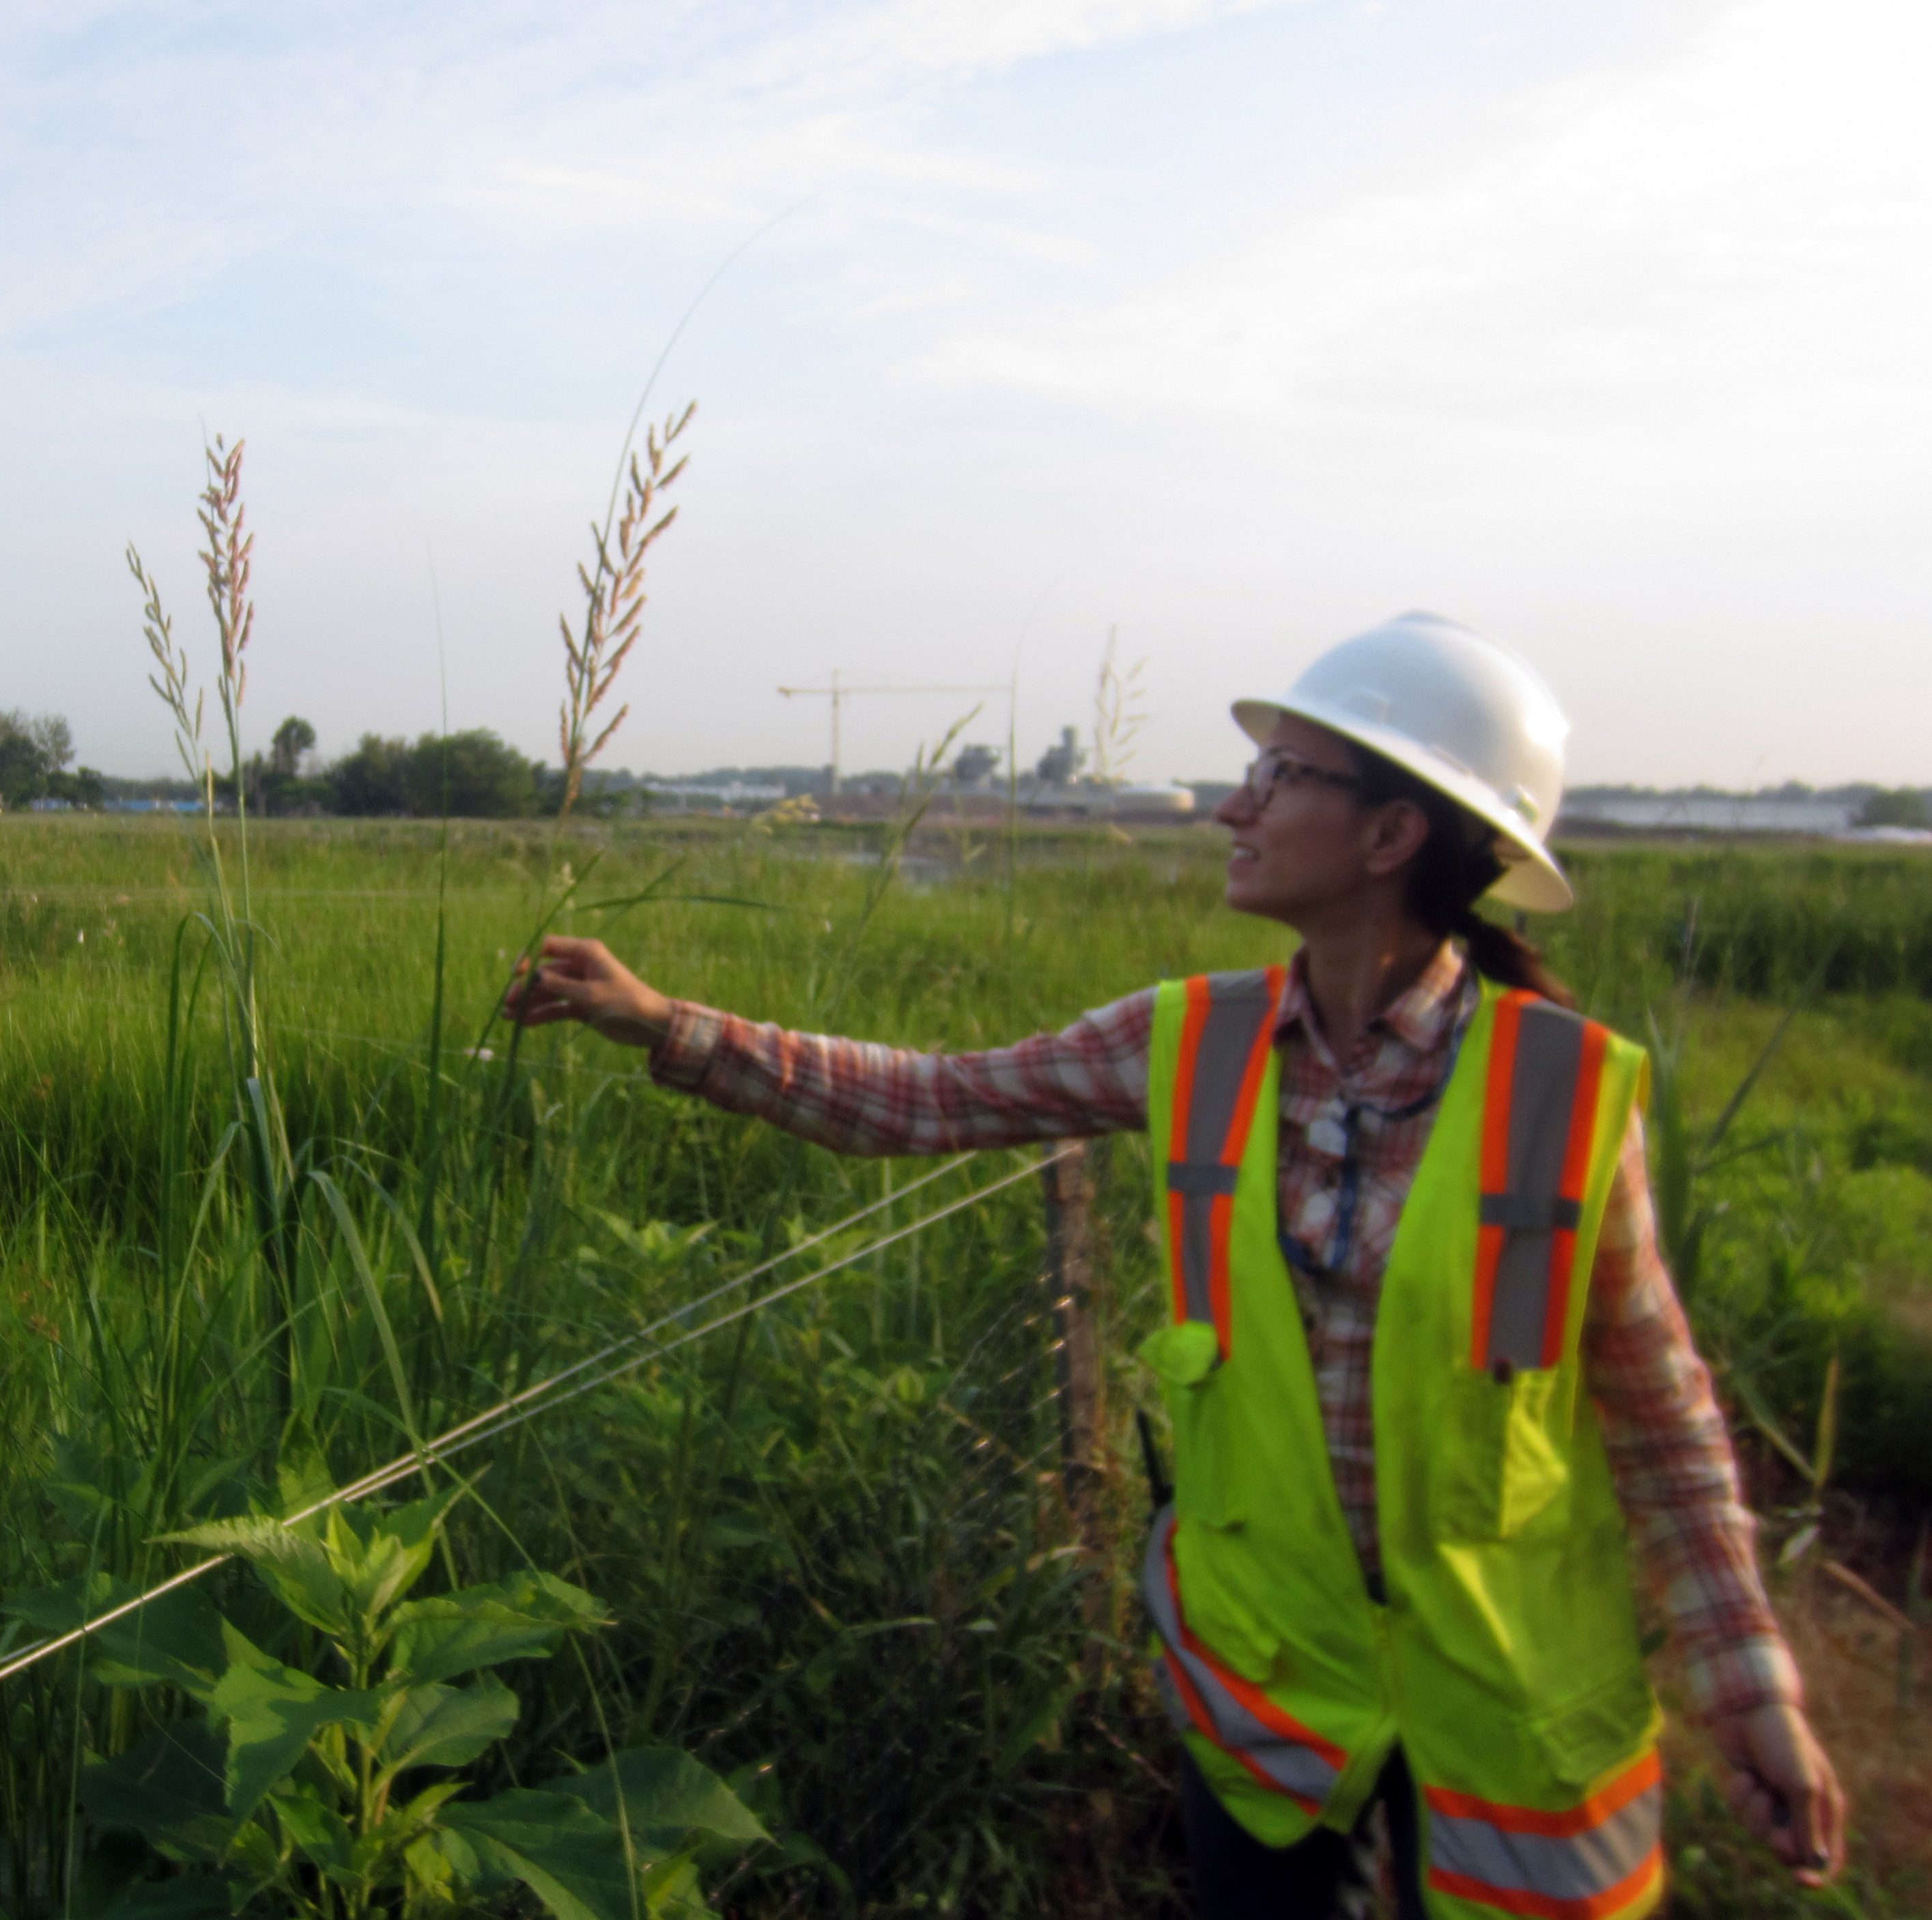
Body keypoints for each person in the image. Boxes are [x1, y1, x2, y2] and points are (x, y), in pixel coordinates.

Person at [505, 613, 1844, 1919]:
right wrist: (660, 1021)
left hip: (1513, 1713)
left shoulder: (1560, 1088)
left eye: (1280, 776)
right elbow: (928, 1100)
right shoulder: (1191, 1041)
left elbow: (1662, 1423)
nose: (1230, 805)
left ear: (1392, 834)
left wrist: (1752, 1690)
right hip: (1267, 1697)